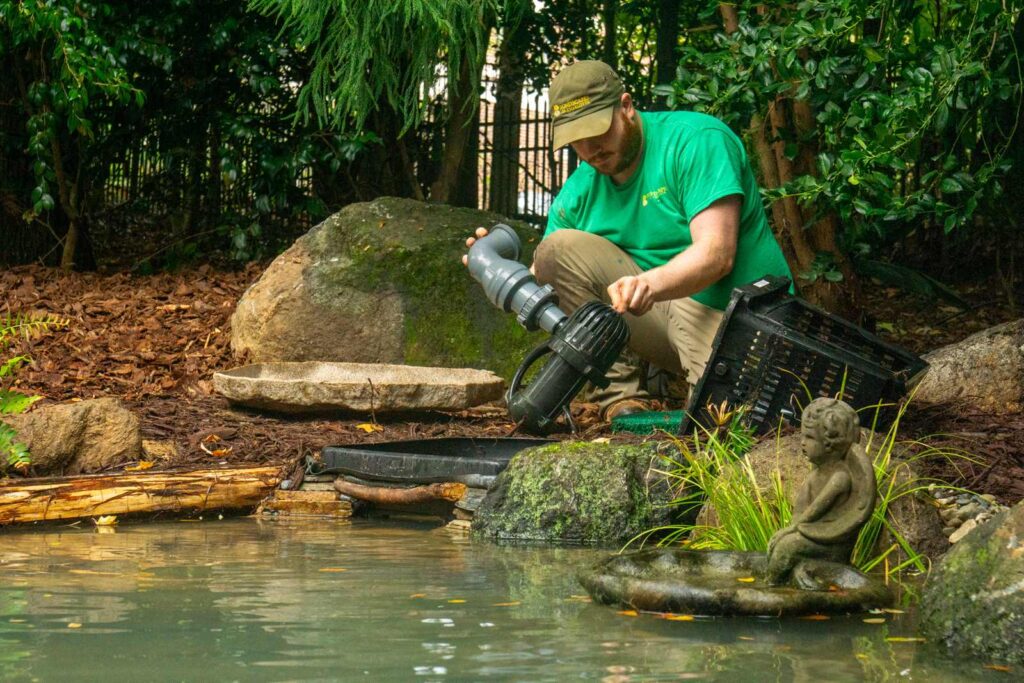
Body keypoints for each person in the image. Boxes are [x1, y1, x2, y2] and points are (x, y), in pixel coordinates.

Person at [465, 60, 792, 420]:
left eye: (598, 132)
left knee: (736, 421)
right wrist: (496, 274)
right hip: (657, 317)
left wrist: (649, 283)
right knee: (555, 253)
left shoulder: (695, 140)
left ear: (626, 107)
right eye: (577, 142)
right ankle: (620, 395)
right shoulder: (577, 195)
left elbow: (716, 254)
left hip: (737, 315)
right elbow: (547, 280)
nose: (590, 151)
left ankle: (690, 384)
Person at [765, 397, 876, 586]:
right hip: (811, 535)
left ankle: (770, 587)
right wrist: (789, 530)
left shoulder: (840, 477)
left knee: (786, 547)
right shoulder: (815, 474)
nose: (802, 443)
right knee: (782, 544)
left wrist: (789, 531)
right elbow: (799, 512)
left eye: (809, 438)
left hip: (831, 545)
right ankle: (784, 580)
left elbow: (813, 511)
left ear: (831, 443)